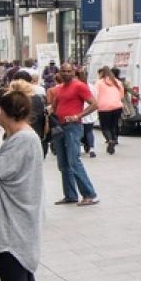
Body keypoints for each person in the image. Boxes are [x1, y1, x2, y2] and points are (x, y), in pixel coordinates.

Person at [0, 80, 45, 281]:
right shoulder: (26, 136)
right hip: (21, 225)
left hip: (12, 229)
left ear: (0, 111)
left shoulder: (21, 140)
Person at [45, 63, 99, 206]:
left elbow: (94, 104)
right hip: (60, 127)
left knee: (73, 160)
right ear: (59, 73)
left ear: (74, 73)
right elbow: (55, 106)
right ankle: (70, 195)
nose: (66, 73)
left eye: (69, 71)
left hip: (73, 127)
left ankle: (90, 194)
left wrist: (77, 116)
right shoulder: (59, 89)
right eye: (64, 71)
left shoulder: (79, 86)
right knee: (63, 163)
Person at [93, 66, 125, 154]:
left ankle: (110, 140)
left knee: (105, 127)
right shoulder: (117, 82)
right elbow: (122, 95)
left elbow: (95, 94)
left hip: (104, 107)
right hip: (117, 106)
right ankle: (114, 139)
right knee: (113, 125)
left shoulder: (99, 83)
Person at [76, 68, 98, 157]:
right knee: (89, 131)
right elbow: (96, 97)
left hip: (80, 111)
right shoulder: (92, 87)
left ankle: (80, 147)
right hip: (91, 110)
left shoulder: (78, 86)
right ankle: (92, 148)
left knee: (79, 131)